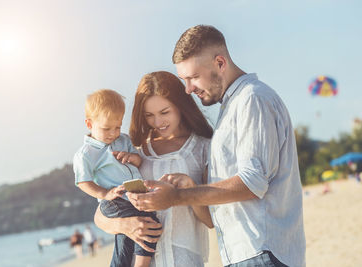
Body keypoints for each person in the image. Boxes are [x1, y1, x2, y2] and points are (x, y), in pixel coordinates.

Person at [127, 25, 306, 267]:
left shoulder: (252, 99)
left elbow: (253, 182)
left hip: (262, 252)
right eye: (184, 80)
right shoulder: (231, 107)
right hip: (248, 253)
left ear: (220, 63)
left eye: (193, 77)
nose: (189, 89)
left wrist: (177, 197)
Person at [94, 71, 214, 266]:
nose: (158, 122)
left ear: (181, 106)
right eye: (149, 115)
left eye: (164, 112)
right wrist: (126, 226)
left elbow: (211, 220)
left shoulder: (204, 148)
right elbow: (101, 215)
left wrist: (190, 189)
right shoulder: (134, 151)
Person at [73, 89, 160, 267]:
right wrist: (105, 193)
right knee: (149, 223)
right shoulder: (86, 154)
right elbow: (83, 182)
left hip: (132, 195)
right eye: (106, 128)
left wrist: (132, 158)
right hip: (114, 201)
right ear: (89, 124)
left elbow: (138, 160)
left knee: (126, 239)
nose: (113, 133)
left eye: (118, 127)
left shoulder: (124, 140)